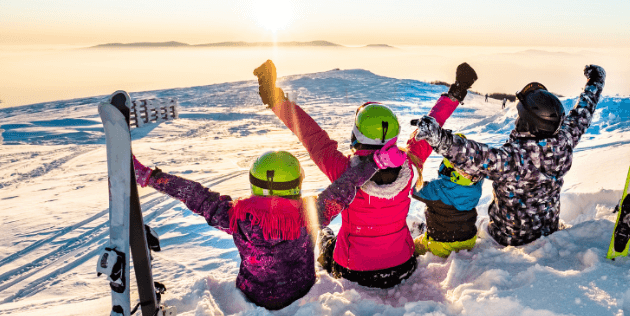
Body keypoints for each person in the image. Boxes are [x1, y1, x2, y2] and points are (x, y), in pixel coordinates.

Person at [253, 60, 477, 288]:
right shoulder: (410, 165)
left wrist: (275, 99)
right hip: (402, 266)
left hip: (353, 270)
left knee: (327, 237)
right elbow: (431, 126)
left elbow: (311, 136)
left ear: (357, 135)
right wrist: (456, 91)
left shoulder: (343, 172)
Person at [131, 147, 403, 310]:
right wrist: (375, 163)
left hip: (254, 294)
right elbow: (345, 187)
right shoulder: (311, 214)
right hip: (301, 291)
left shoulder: (235, 215)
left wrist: (151, 177)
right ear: (296, 184)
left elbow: (194, 194)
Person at [412, 65, 605, 247]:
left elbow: (475, 156)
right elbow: (582, 114)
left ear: (528, 124)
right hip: (548, 228)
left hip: (508, 237)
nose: (517, 119)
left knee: (477, 229)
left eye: (520, 116)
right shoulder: (564, 140)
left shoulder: (514, 159)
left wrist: (439, 138)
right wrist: (595, 82)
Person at [412, 137, 484, 257]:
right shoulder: (476, 186)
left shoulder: (436, 189)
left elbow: (413, 190)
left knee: (413, 246)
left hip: (440, 244)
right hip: (468, 241)